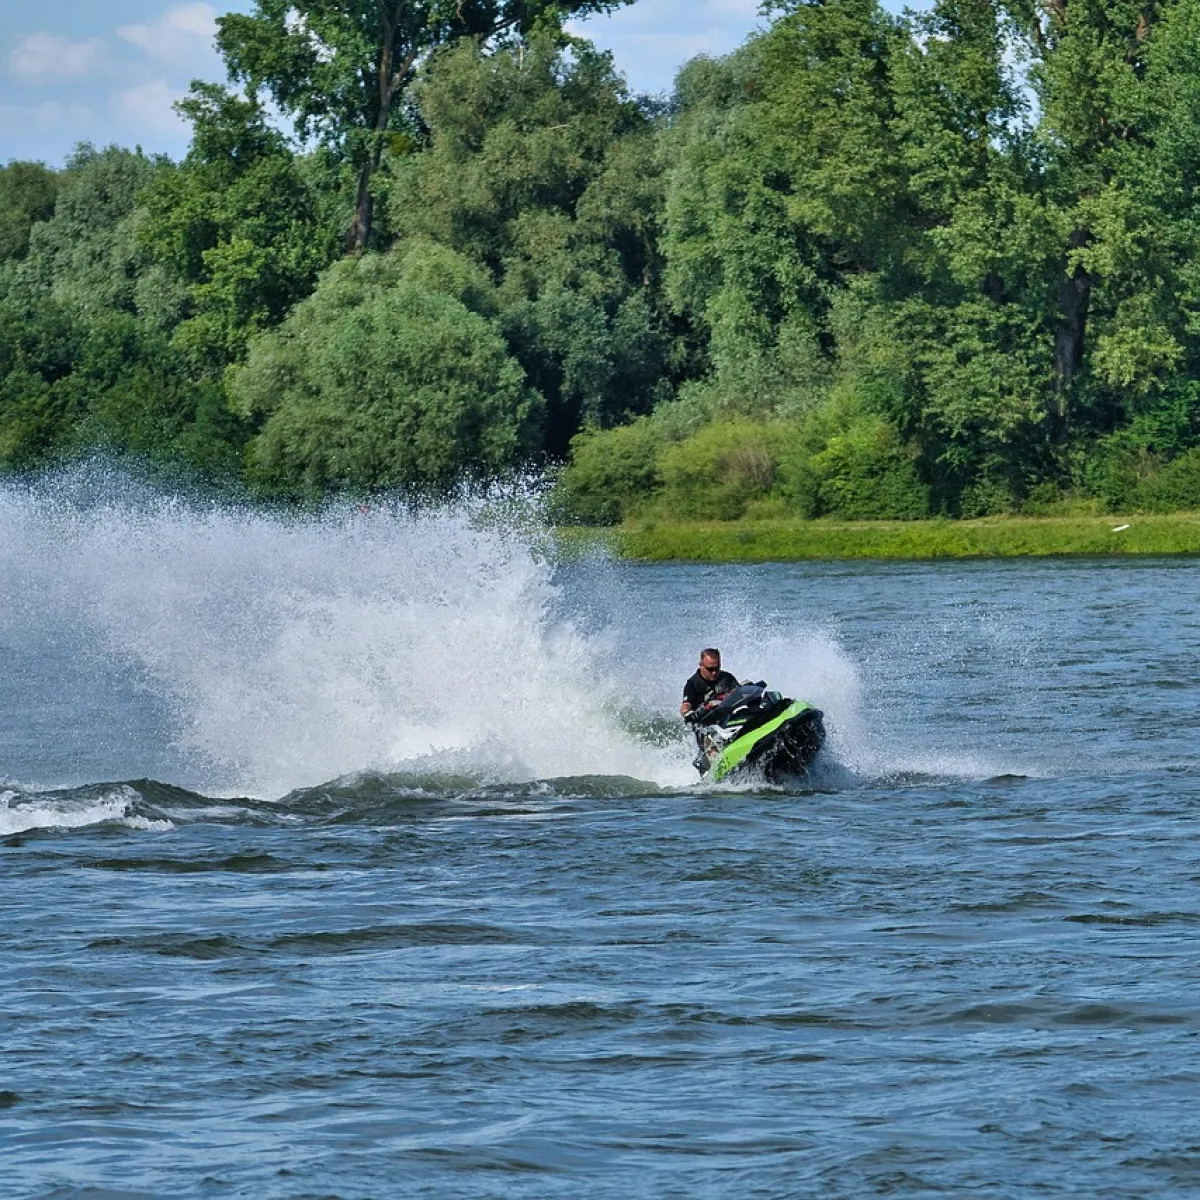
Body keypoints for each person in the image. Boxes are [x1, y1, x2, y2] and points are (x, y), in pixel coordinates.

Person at [680, 648, 740, 722]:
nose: (714, 673)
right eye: (710, 669)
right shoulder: (693, 684)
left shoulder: (727, 677)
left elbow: (739, 693)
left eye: (717, 668)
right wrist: (687, 713)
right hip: (706, 722)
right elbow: (686, 705)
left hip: (728, 717)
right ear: (701, 665)